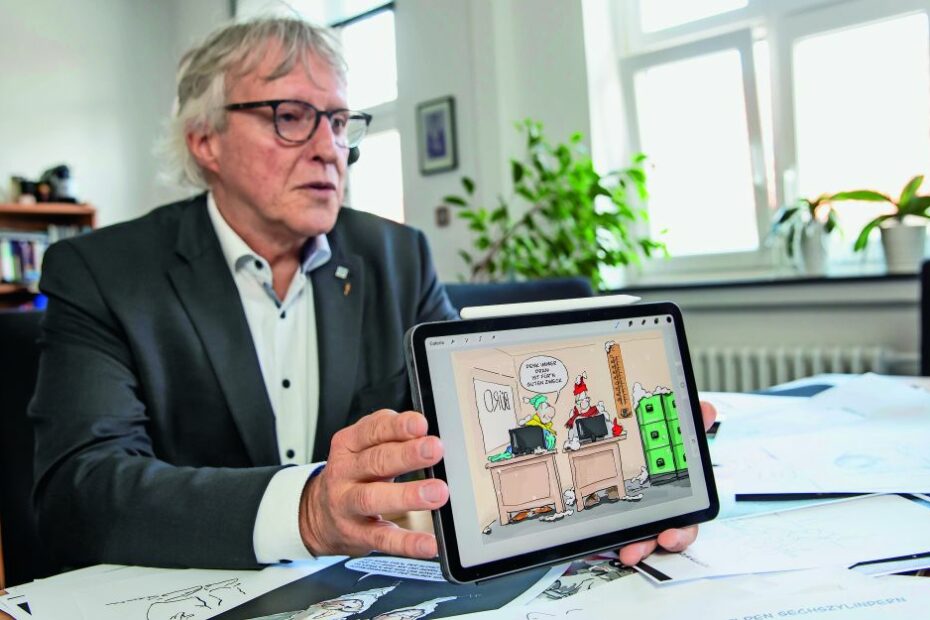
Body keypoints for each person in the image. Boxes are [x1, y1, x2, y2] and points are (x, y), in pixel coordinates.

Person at [29, 16, 715, 572]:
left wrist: (615, 496)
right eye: (290, 116)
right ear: (205, 140)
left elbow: (460, 436)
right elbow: (78, 490)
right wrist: (304, 512)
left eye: (337, 122)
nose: (328, 148)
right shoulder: (101, 271)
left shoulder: (396, 255)